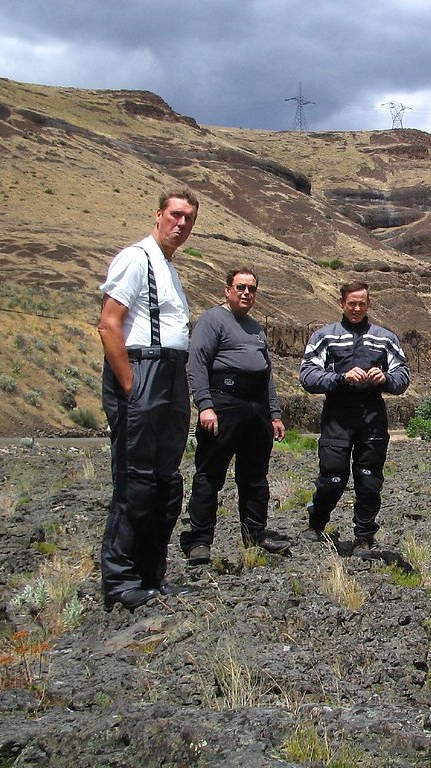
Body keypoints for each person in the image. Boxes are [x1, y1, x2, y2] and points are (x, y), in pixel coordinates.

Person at [97, 187, 199, 611]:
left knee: (166, 482)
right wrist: (130, 385)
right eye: (175, 215)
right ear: (158, 215)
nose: (181, 223)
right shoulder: (135, 259)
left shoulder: (169, 268)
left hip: (171, 376)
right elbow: (108, 324)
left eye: (189, 218)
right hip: (144, 373)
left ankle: (152, 576)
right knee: (135, 482)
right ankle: (120, 582)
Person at [180, 268, 289, 564]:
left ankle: (255, 534)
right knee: (210, 475)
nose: (246, 293)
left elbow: (266, 375)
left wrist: (274, 414)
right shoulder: (212, 320)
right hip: (224, 403)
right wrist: (205, 405)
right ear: (227, 289)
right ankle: (199, 541)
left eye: (252, 289)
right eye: (240, 287)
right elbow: (197, 364)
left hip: (256, 409)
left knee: (255, 477)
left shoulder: (256, 329)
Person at [299, 280, 410, 555]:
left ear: (369, 304)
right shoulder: (324, 336)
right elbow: (307, 375)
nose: (357, 309)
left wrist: (385, 378)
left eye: (362, 304)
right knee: (332, 477)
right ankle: (316, 522)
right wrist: (340, 378)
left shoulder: (386, 338)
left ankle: (364, 536)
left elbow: (403, 376)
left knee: (369, 478)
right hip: (337, 415)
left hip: (372, 416)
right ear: (341, 303)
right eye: (352, 304)